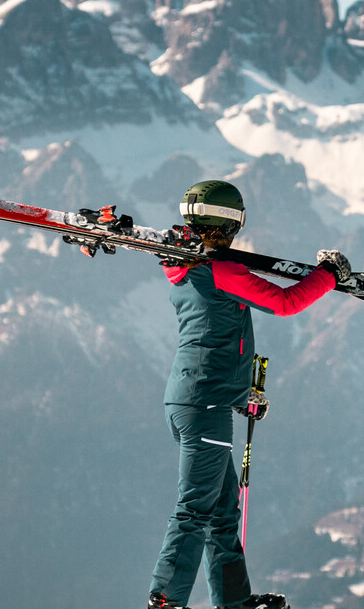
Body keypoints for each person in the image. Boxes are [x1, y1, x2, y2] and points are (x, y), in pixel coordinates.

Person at [148, 179, 352, 609]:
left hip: (196, 398)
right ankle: (166, 600)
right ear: (231, 222)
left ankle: (234, 601)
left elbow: (214, 337)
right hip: (204, 404)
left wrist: (239, 394)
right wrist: (328, 277)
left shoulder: (187, 269)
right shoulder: (220, 271)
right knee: (196, 509)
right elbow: (285, 303)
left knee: (221, 512)